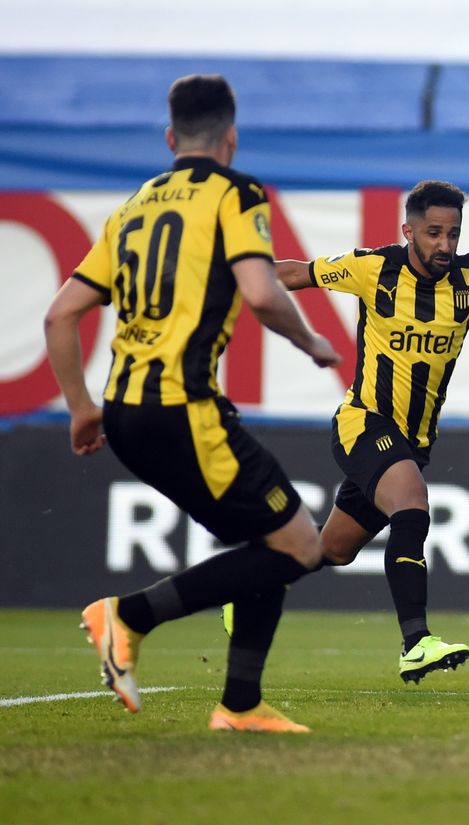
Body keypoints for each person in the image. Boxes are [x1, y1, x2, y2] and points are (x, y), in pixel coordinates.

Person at [43, 74, 341, 732]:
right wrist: (312, 338)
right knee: (301, 548)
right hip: (183, 406)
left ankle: (240, 705)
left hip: (124, 410)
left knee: (277, 539)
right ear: (231, 137)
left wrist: (80, 407)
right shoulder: (236, 193)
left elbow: (61, 315)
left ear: (171, 137)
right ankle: (128, 615)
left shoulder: (133, 206)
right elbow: (262, 294)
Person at [272, 179, 469, 684]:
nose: (444, 245)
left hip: (413, 441)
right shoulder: (372, 268)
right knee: (412, 505)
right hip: (364, 423)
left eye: (452, 234)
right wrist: (224, 277)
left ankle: (249, 586)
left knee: (333, 549)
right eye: (433, 234)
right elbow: (294, 273)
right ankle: (416, 642)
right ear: (408, 231)